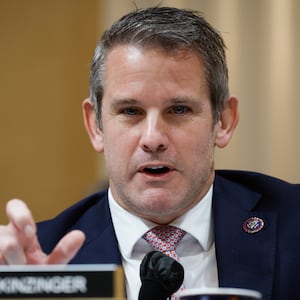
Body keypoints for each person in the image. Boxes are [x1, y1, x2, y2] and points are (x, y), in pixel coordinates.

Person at [0, 6, 299, 300]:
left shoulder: (293, 226)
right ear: (95, 125)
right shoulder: (38, 265)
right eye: (131, 111)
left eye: (179, 110)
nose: (153, 138)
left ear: (223, 121)